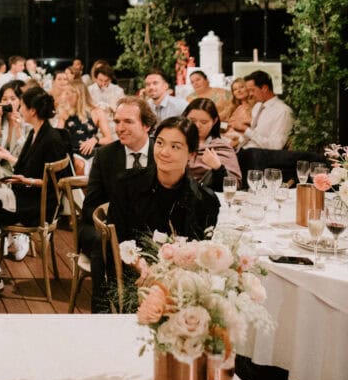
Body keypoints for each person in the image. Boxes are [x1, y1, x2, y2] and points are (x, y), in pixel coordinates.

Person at [0, 86, 68, 293]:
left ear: (32, 111)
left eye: (22, 105)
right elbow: (25, 166)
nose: (18, 108)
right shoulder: (36, 134)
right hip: (25, 194)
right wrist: (11, 161)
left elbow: (59, 183)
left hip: (38, 204)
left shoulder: (52, 138)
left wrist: (28, 181)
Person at [81, 95, 156, 312]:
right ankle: (103, 308)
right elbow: (90, 207)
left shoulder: (160, 153)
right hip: (105, 227)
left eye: (128, 122)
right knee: (102, 241)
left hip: (147, 228)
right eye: (117, 122)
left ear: (146, 125)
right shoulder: (105, 155)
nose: (120, 128)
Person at [107, 116, 220, 244]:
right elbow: (114, 243)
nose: (164, 152)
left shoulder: (205, 200)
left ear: (191, 154)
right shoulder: (126, 185)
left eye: (175, 147)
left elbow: (200, 252)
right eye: (160, 143)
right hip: (130, 262)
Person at [184, 99, 241, 190]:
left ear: (214, 121)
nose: (197, 126)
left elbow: (234, 183)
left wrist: (218, 168)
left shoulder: (221, 147)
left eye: (204, 122)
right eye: (192, 121)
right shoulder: (176, 142)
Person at [55, 78, 113, 169]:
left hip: (92, 152)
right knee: (79, 165)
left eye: (68, 93)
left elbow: (109, 139)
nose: (65, 96)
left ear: (77, 94)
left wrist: (95, 140)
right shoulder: (65, 114)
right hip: (73, 153)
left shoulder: (97, 112)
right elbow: (58, 139)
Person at [239, 70, 294, 150]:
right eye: (248, 91)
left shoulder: (283, 111)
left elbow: (276, 146)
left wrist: (246, 130)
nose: (250, 94)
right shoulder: (257, 107)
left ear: (264, 88)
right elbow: (253, 135)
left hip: (260, 157)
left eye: (252, 90)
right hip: (246, 151)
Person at [0, 81, 27, 155]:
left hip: (17, 164)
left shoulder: (27, 121)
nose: (9, 102)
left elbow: (25, 154)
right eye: (4, 99)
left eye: (13, 99)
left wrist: (18, 128)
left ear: (20, 101)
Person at [224, 77, 254, 146]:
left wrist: (241, 124)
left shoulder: (255, 107)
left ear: (248, 88)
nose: (238, 91)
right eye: (235, 89)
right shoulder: (236, 108)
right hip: (228, 136)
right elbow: (229, 125)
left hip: (242, 140)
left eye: (241, 87)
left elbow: (255, 126)